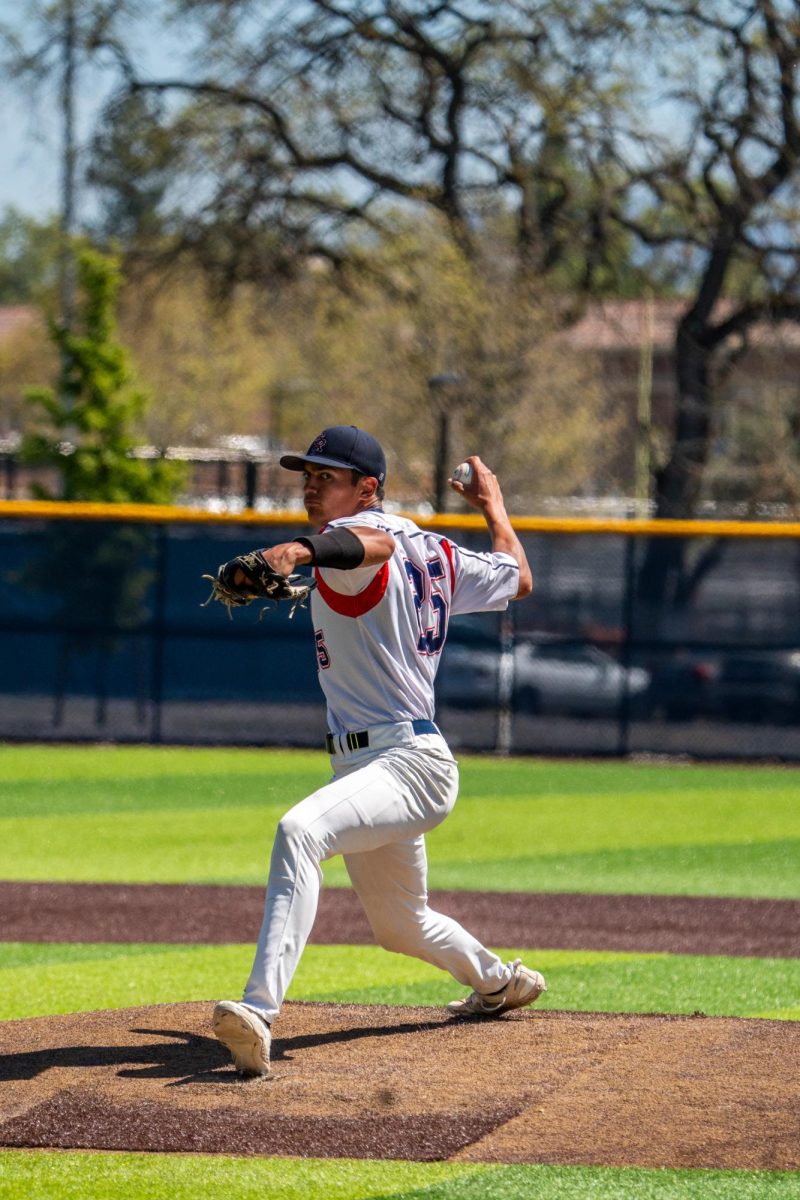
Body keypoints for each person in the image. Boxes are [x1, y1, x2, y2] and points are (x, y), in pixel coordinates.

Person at [212, 425, 546, 1076]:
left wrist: (299, 550)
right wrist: (493, 508)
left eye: (326, 477)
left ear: (367, 489)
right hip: (376, 765)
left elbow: (374, 540)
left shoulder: (368, 540)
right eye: (307, 475)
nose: (311, 485)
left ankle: (259, 1012)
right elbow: (518, 577)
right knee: (400, 924)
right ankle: (500, 982)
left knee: (299, 831)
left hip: (408, 762)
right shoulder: (440, 553)